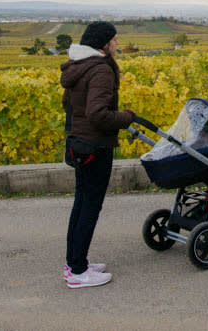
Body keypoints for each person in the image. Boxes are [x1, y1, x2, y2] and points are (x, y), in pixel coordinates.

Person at [60, 21, 135, 288]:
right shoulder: (101, 70)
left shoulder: (79, 66)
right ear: (103, 43)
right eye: (114, 40)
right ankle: (79, 272)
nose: (117, 44)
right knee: (89, 207)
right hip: (94, 147)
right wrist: (126, 117)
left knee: (81, 205)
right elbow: (97, 114)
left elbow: (73, 107)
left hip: (79, 143)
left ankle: (75, 263)